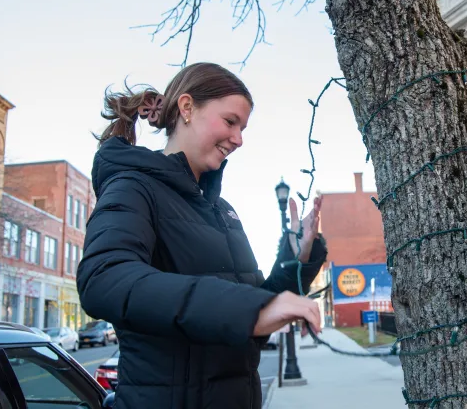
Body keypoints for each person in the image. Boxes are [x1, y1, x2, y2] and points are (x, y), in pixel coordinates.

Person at [77, 62, 328, 408]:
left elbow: (248, 316)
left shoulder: (222, 211)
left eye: (242, 127)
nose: (239, 139)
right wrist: (250, 310)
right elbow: (103, 279)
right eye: (230, 122)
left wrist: (298, 258)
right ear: (187, 108)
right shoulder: (133, 187)